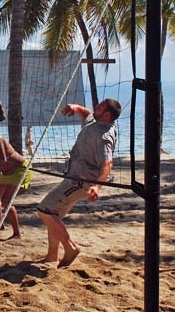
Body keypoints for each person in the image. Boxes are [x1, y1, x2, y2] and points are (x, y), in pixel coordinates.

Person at [37, 98, 120, 268]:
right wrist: (75, 108)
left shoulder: (104, 135)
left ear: (106, 115)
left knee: (44, 211)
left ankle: (71, 248)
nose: (95, 107)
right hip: (73, 178)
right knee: (55, 215)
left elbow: (107, 163)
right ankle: (52, 255)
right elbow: (87, 114)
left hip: (81, 182)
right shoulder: (95, 122)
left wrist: (97, 186)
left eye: (100, 107)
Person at [0, 118, 31, 240]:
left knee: (6, 201)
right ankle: (0, 225)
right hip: (7, 172)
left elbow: (3, 161)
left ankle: (17, 233)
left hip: (20, 169)